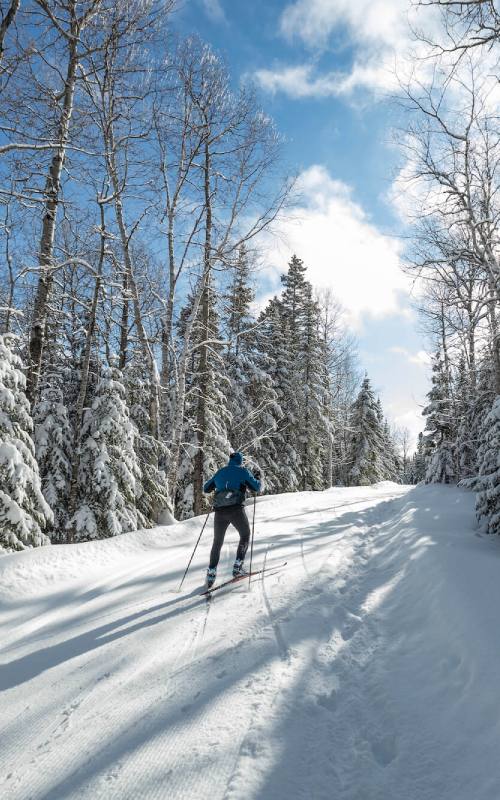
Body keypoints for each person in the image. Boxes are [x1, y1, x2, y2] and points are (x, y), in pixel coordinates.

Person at [203, 452, 262, 588]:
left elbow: (206, 488)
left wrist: (220, 485)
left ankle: (211, 572)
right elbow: (256, 488)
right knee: (245, 535)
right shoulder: (243, 471)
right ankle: (237, 566)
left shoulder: (220, 472)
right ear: (240, 461)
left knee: (217, 542)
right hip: (236, 511)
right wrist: (257, 478)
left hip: (220, 512)